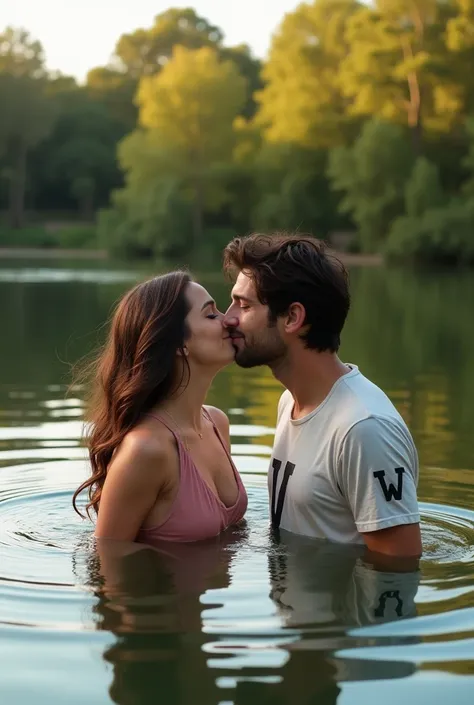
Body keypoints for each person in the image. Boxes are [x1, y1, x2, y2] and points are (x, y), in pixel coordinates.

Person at [222, 233, 422, 559]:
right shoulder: (289, 403)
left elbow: (397, 569)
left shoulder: (363, 429)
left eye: (244, 305)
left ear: (292, 318)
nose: (229, 317)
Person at [72, 271, 247, 542]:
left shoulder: (216, 423)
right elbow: (109, 561)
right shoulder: (146, 450)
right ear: (178, 344)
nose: (230, 321)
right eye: (211, 315)